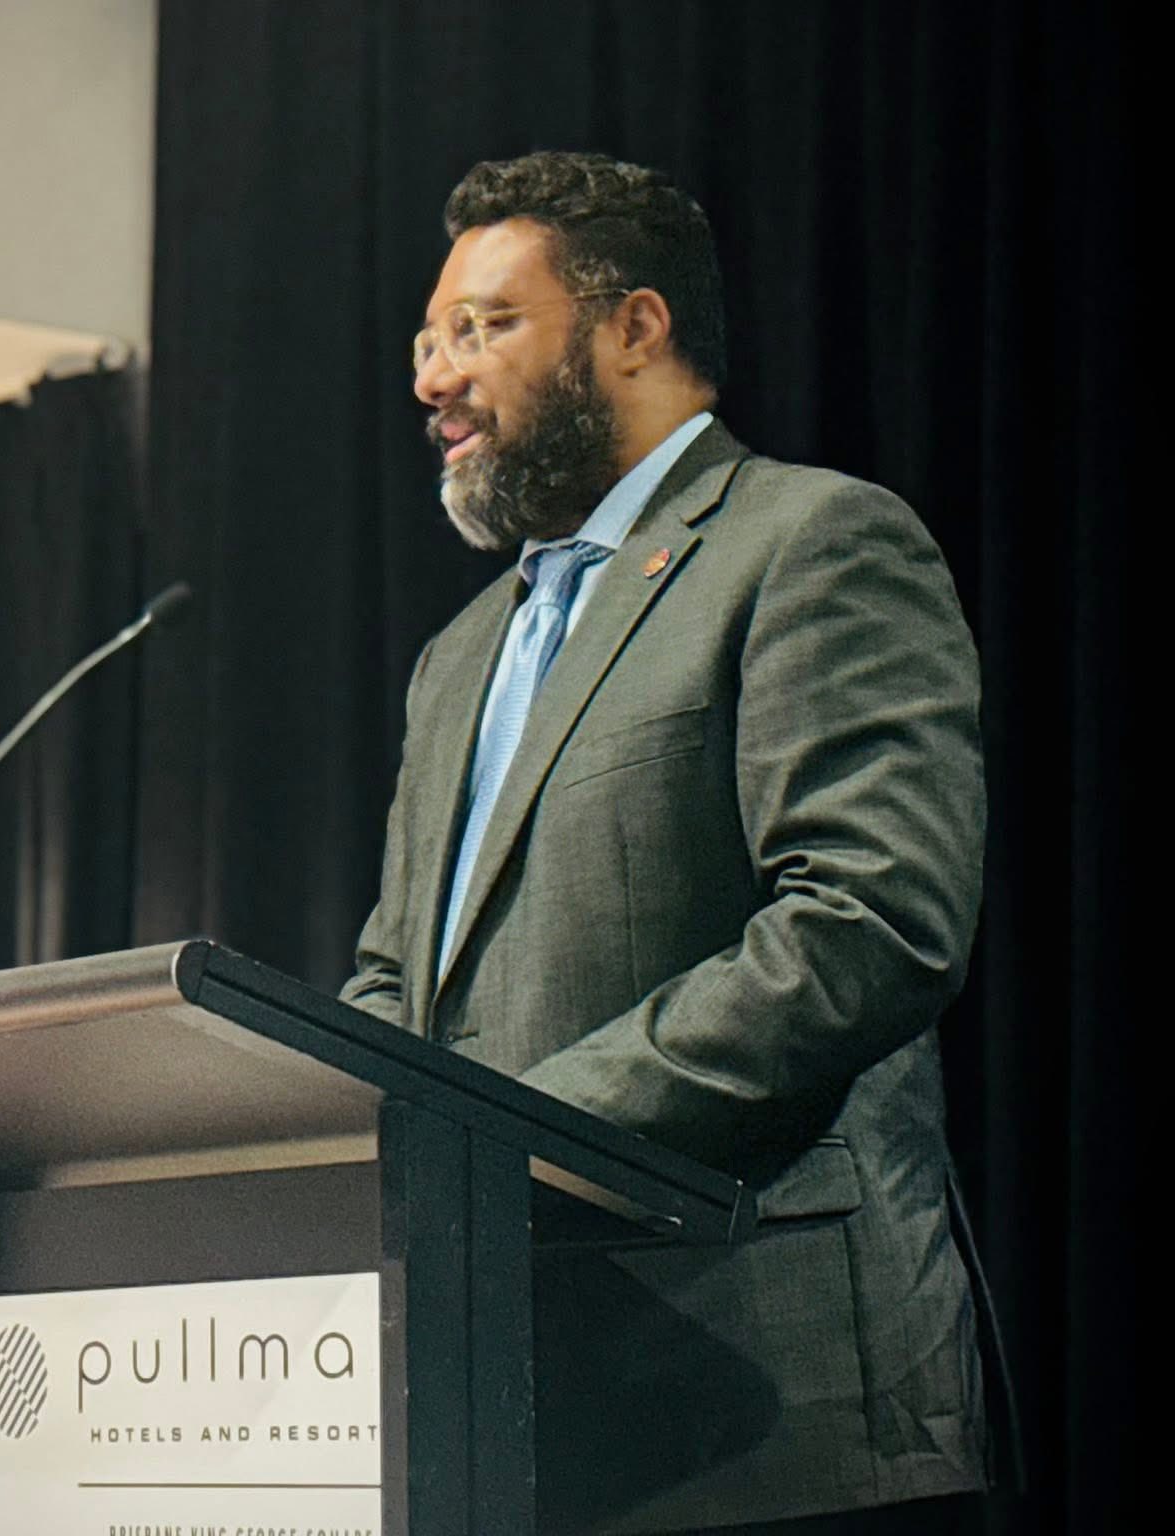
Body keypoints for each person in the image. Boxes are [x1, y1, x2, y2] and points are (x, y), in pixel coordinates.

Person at [341, 151, 997, 1533]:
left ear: (634, 328)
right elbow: (394, 986)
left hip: (774, 1405)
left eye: (484, 327)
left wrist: (509, 1140)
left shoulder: (811, 543)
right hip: (517, 1413)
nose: (434, 379)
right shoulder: (462, 654)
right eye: (427, 340)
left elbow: (868, 924)